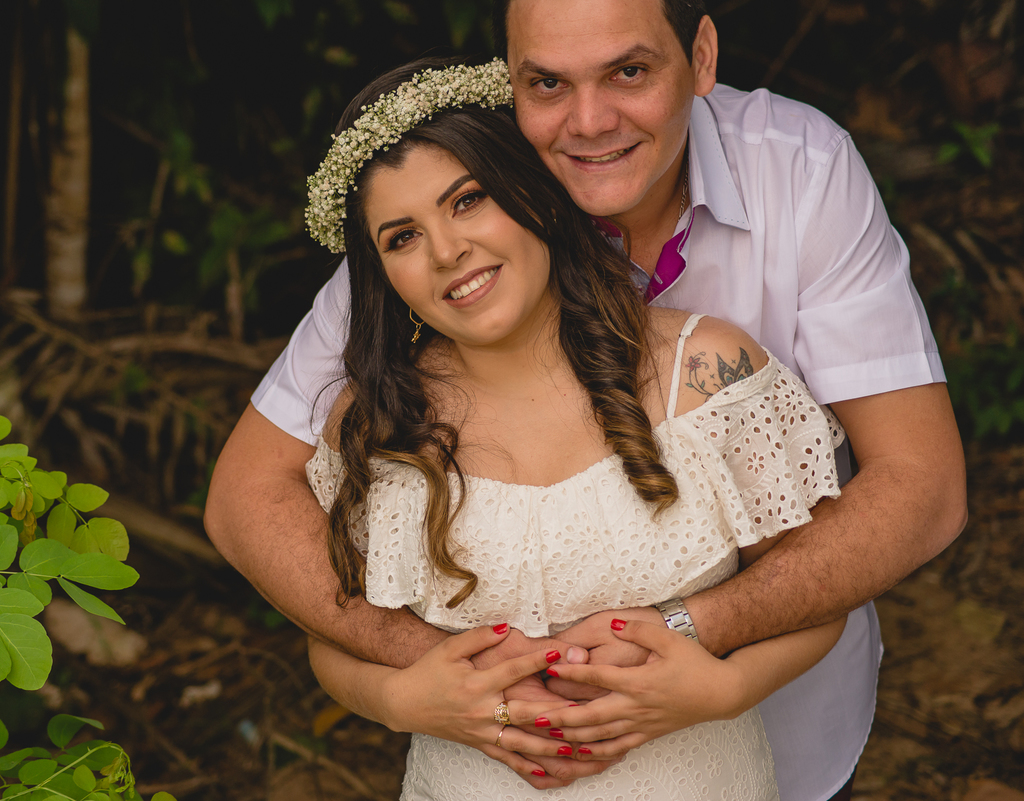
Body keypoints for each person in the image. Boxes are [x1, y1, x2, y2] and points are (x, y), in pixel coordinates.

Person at [204, 1, 967, 798]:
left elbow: (923, 486)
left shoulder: (795, 178)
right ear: (510, 90)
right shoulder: (448, 224)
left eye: (629, 71)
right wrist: (428, 671)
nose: (589, 122)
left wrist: (702, 643)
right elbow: (250, 501)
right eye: (547, 83)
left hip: (758, 737)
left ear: (701, 57)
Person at [297, 55, 849, 798]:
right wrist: (398, 699)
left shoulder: (707, 379)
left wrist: (722, 689)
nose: (446, 250)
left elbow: (818, 597)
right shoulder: (375, 427)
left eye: (467, 200)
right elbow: (331, 636)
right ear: (381, 275)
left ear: (535, 195)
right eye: (401, 237)